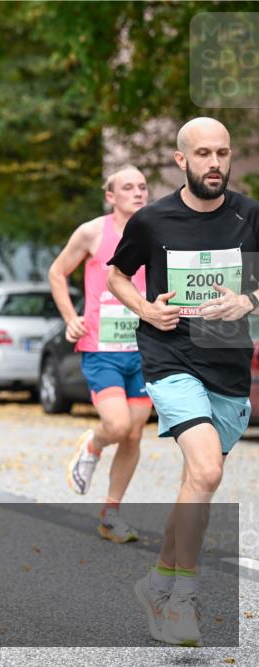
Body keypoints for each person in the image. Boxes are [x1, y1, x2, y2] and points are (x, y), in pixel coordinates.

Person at [108, 117, 259, 647]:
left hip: (229, 366)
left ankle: (158, 583)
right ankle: (182, 603)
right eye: (203, 154)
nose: (215, 163)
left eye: (222, 153)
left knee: (197, 481)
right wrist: (146, 309)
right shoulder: (152, 221)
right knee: (207, 470)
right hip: (171, 358)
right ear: (181, 160)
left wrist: (250, 300)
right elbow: (116, 275)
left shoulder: (250, 215)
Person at [48, 165, 152, 543]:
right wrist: (70, 317)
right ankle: (92, 444)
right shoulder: (93, 232)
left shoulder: (157, 230)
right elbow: (57, 272)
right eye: (128, 187)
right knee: (118, 425)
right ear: (111, 196)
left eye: (142, 186)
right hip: (101, 348)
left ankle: (111, 514)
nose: (138, 193)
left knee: (134, 434)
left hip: (144, 348)